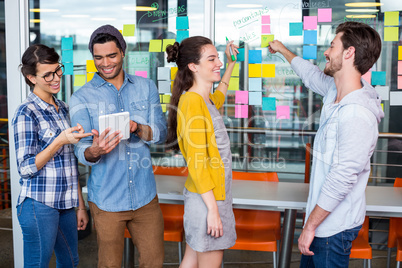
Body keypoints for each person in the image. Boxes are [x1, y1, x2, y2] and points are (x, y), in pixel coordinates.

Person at [269, 21, 383, 267]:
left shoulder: (356, 113)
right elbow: (310, 75)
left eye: (332, 46)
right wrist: (281, 49)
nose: (327, 52)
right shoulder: (335, 91)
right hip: (321, 224)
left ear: (349, 53)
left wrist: (309, 226)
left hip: (333, 229)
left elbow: (342, 177)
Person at [69, 25, 167, 267]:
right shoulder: (81, 97)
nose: (105, 63)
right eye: (98, 57)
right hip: (107, 200)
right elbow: (80, 150)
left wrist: (137, 128)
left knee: (154, 262)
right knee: (109, 265)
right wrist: (95, 150)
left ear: (123, 52)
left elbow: (162, 133)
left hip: (145, 197)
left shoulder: (146, 87)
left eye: (111, 55)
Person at [12, 44, 91, 267]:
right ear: (31, 77)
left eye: (58, 70)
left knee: (70, 261)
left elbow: (70, 162)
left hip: (66, 204)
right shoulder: (26, 112)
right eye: (47, 74)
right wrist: (59, 141)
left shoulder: (63, 108)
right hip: (39, 205)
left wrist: (80, 205)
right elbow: (26, 167)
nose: (56, 78)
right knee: (38, 263)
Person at [166, 36, 238, 268]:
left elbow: (220, 96)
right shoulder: (192, 102)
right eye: (211, 59)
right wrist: (213, 210)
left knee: (191, 261)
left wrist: (230, 65)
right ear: (193, 66)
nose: (217, 62)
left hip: (205, 198)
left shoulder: (202, 99)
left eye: (217, 57)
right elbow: (198, 162)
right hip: (208, 200)